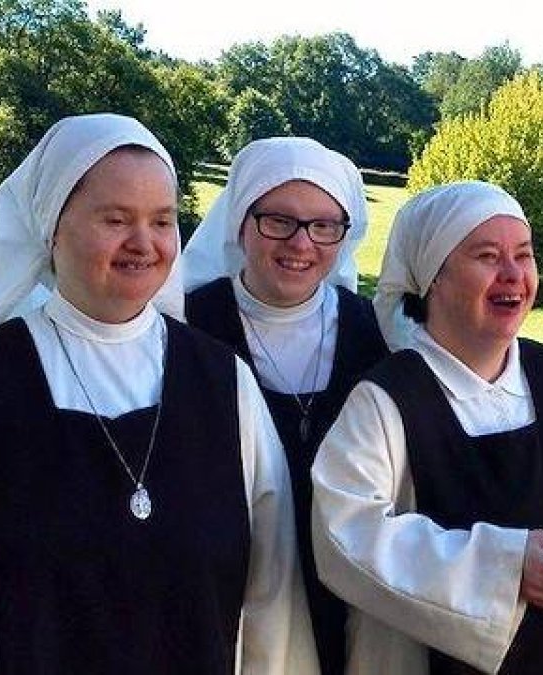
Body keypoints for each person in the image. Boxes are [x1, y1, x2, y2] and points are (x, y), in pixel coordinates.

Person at [0, 114, 317, 674]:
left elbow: (274, 601)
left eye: (162, 220)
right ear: (53, 227)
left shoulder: (225, 385)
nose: (144, 243)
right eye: (116, 219)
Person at [311, 180, 543, 675]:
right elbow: (345, 534)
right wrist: (502, 568)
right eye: (487, 256)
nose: (513, 274)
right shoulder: (385, 399)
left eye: (523, 255)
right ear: (432, 278)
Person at [180, 137, 388, 675]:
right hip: (234, 600)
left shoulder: (373, 332)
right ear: (240, 223)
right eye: (279, 220)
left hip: (352, 595)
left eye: (324, 225)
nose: (302, 242)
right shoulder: (187, 327)